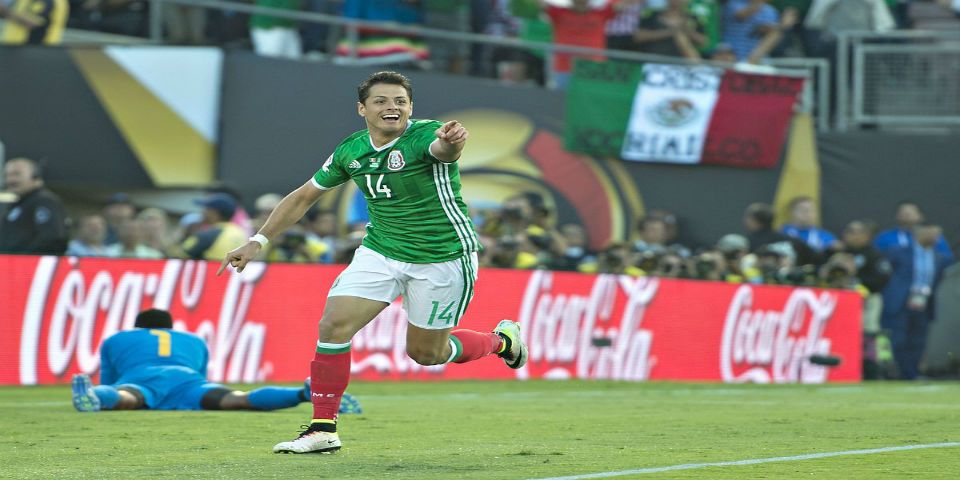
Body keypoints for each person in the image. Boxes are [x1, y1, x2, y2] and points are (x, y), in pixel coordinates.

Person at [217, 71, 528, 454]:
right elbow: (302, 197)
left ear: (410, 108)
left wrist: (452, 143)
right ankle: (322, 428)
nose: (391, 107)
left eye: (400, 101)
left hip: (442, 256)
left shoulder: (425, 136)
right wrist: (257, 240)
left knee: (426, 354)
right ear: (362, 108)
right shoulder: (351, 150)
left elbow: (443, 151)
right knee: (333, 325)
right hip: (381, 251)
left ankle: (501, 341)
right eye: (381, 101)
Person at [70, 309, 312, 412]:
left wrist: (104, 393)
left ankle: (94, 397)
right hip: (189, 382)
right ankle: (303, 394)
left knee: (125, 397)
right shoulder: (194, 340)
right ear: (171, 327)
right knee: (237, 398)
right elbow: (202, 375)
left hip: (142, 379)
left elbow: (110, 380)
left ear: (138, 327)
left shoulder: (118, 338)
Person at [880, 223, 952, 380]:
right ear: (918, 234)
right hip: (901, 302)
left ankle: (911, 373)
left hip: (924, 303)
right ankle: (897, 372)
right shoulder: (898, 252)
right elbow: (884, 273)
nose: (936, 238)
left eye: (937, 234)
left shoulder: (939, 257)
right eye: (932, 234)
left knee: (918, 340)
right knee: (898, 339)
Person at [0, 157, 68, 255]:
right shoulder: (16, 205)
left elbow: (52, 238)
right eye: (7, 175)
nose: (11, 180)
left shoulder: (43, 201)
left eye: (17, 174)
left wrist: (24, 258)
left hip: (29, 267)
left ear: (35, 177)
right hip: (9, 265)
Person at [874, 201, 954, 264]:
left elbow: (946, 258)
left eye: (911, 211)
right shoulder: (885, 237)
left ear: (921, 216)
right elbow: (876, 261)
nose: (907, 214)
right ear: (897, 216)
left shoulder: (931, 236)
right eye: (903, 212)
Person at [181, 193, 249, 261]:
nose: (202, 212)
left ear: (214, 214)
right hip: (232, 270)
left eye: (206, 209)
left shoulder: (206, 235)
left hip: (212, 270)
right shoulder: (240, 232)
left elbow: (179, 256)